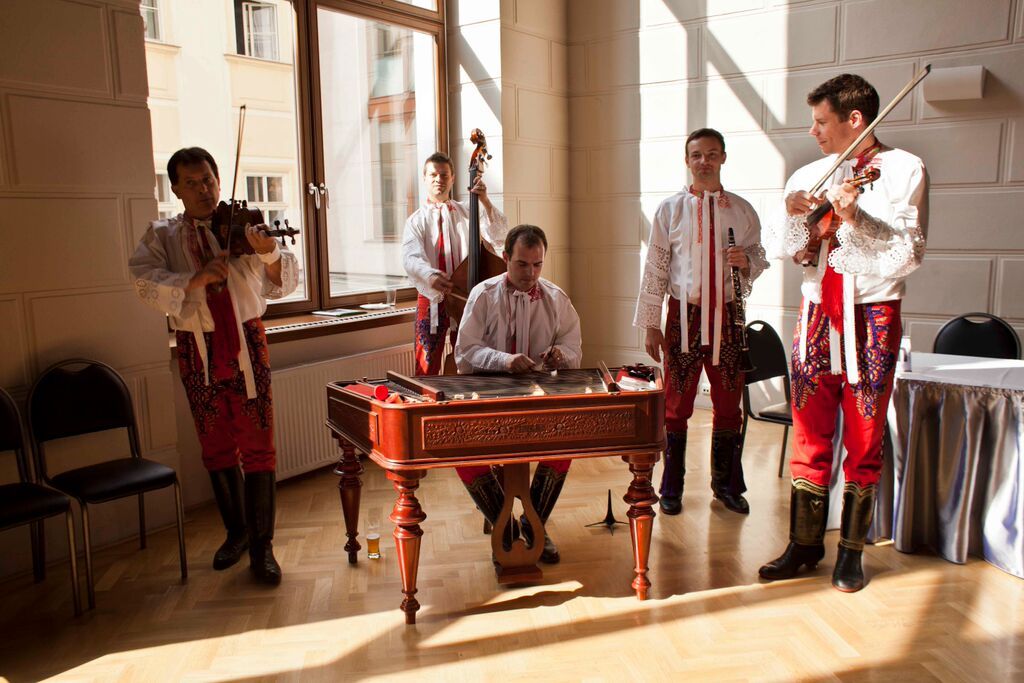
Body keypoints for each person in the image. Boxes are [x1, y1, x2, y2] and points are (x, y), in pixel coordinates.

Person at [758, 74, 927, 592]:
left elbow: (908, 253)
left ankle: (850, 553)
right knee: (809, 431)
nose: (813, 131)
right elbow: (786, 248)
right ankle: (804, 544)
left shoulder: (905, 169)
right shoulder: (811, 173)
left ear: (855, 120)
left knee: (865, 434)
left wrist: (856, 217)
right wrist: (793, 216)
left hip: (873, 314)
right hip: (816, 311)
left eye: (820, 121)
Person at [129, 147, 299, 585]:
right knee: (215, 444)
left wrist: (269, 252)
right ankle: (236, 533)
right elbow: (143, 280)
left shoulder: (245, 228)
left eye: (208, 180)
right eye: (191, 183)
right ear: (175, 189)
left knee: (258, 444)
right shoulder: (162, 235)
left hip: (247, 341)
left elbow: (282, 282)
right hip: (195, 347)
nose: (203, 190)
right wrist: (194, 278)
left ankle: (262, 548)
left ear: (219, 180)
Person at [634, 128, 768, 517]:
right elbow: (656, 267)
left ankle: (726, 486)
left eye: (711, 154)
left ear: (723, 157)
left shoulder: (742, 210)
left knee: (728, 404)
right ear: (687, 160)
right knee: (676, 406)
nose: (704, 161)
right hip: (683, 316)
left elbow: (758, 257)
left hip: (728, 316)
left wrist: (747, 262)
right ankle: (671, 487)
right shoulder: (670, 210)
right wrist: (651, 323)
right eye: (697, 155)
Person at [455, 224, 582, 563]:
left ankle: (533, 522)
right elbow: (465, 350)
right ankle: (505, 528)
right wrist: (504, 360)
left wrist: (561, 355)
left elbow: (573, 346)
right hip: (488, 392)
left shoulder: (556, 298)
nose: (531, 273)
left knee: (565, 446)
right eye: (522, 264)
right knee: (462, 455)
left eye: (538, 264)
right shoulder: (483, 295)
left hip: (538, 395)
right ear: (505, 258)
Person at [402, 152, 508, 376]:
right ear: (424, 178)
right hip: (432, 297)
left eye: (444, 175)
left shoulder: (468, 211)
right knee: (426, 365)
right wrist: (430, 275)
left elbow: (499, 235)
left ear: (452, 179)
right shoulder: (415, 220)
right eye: (433, 174)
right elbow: (411, 258)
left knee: (470, 360)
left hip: (466, 296)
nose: (438, 179)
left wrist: (485, 200)